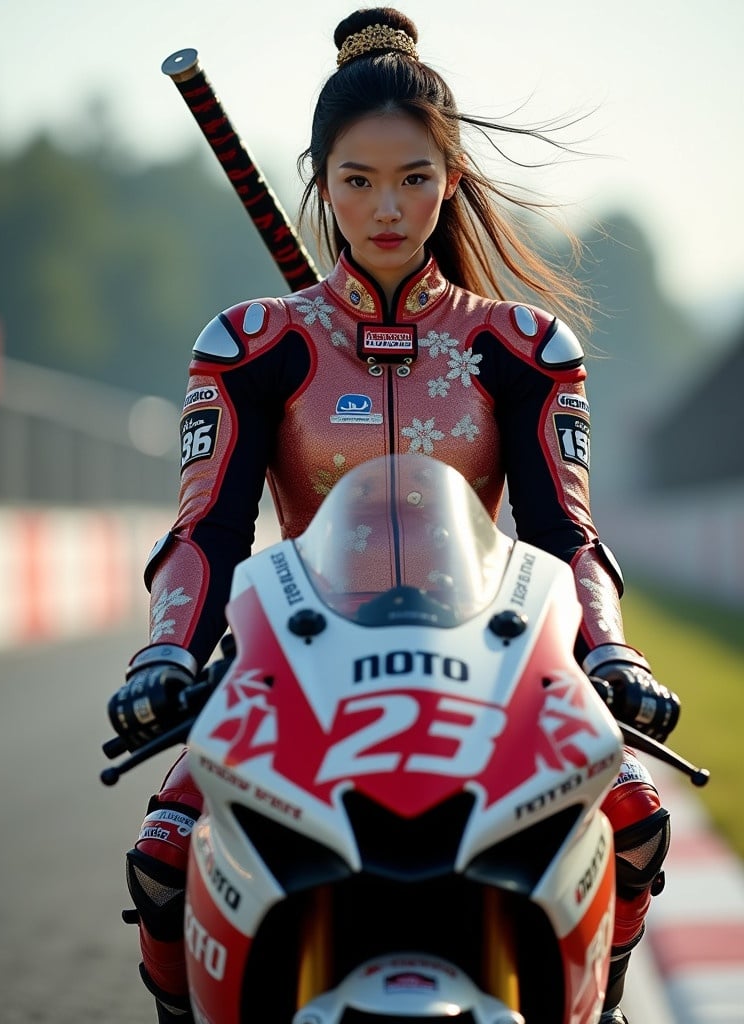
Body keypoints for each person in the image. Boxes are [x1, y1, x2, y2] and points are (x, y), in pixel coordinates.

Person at [107, 9, 680, 1024]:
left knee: (632, 820)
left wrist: (615, 655)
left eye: (414, 177)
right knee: (164, 854)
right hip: (292, 667)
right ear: (320, 181)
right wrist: (164, 656)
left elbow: (566, 535)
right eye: (358, 180)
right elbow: (205, 533)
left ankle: (602, 1003)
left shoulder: (525, 347)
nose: (387, 208)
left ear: (451, 177)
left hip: (495, 664)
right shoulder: (251, 344)